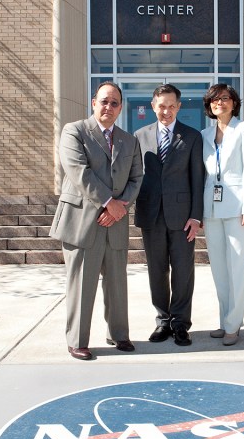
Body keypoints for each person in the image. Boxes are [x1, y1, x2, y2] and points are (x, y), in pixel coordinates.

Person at [49, 81, 144, 360]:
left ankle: (119, 334)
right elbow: (79, 172)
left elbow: (137, 178)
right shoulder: (74, 131)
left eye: (114, 103)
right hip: (81, 221)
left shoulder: (130, 140)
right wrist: (108, 202)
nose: (108, 107)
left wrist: (120, 206)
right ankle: (77, 340)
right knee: (82, 283)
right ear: (93, 103)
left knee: (117, 282)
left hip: (115, 222)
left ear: (121, 107)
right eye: (104, 101)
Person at [133, 83, 205, 346]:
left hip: (183, 217)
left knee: (183, 271)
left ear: (179, 107)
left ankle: (181, 323)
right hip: (150, 214)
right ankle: (163, 321)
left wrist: (196, 216)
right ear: (153, 106)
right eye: (161, 106)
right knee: (157, 271)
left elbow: (198, 179)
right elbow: (134, 176)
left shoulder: (192, 136)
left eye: (172, 106)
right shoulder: (139, 135)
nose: (166, 111)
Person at [199, 83, 244, 346]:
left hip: (237, 209)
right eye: (214, 100)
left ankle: (234, 324)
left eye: (225, 98)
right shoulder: (204, 135)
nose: (219, 103)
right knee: (219, 270)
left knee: (237, 268)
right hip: (211, 207)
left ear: (234, 103)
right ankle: (225, 322)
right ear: (209, 106)